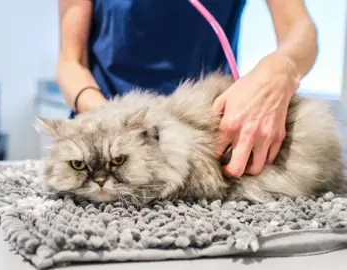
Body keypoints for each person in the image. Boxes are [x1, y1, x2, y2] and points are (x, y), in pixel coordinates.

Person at [56, 0, 318, 178]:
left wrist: (280, 69)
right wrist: (111, 121)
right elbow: (70, 62)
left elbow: (300, 29)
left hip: (207, 139)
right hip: (107, 131)